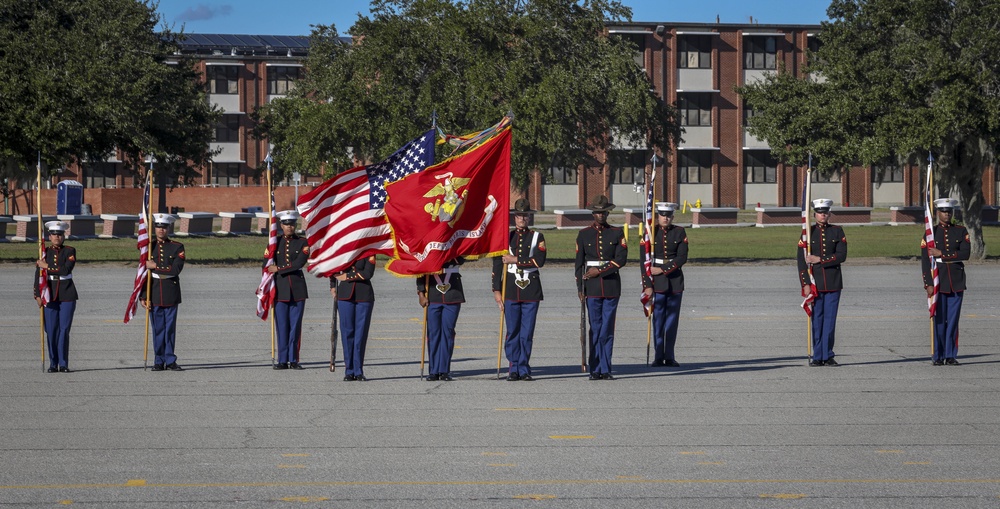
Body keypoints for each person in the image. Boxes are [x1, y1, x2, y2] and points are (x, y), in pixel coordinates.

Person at [492, 199, 546, 381]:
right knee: (512, 330)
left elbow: (539, 260)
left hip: (530, 289)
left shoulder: (537, 237)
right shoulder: (505, 237)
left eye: (525, 215)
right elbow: (497, 266)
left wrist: (516, 260)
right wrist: (496, 290)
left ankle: (524, 367)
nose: (522, 218)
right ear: (514, 217)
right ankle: (513, 367)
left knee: (527, 331)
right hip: (511, 288)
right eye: (519, 215)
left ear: (529, 217)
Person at [575, 195, 628, 380]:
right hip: (592, 288)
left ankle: (606, 368)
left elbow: (621, 259)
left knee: (607, 329)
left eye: (603, 212)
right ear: (593, 213)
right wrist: (580, 288)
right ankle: (595, 368)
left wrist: (600, 270)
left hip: (611, 285)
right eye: (597, 212)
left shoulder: (617, 233)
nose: (600, 215)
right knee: (595, 328)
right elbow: (579, 264)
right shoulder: (583, 234)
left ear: (607, 213)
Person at [797, 198, 847, 367]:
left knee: (830, 320)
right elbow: (801, 261)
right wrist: (805, 283)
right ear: (814, 214)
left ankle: (828, 354)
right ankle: (818, 355)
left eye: (825, 212)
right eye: (819, 212)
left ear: (829, 214)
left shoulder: (837, 231)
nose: (822, 215)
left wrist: (820, 259)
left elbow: (841, 256)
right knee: (817, 319)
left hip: (833, 282)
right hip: (815, 283)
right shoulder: (808, 233)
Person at [922, 197, 970, 366]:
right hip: (938, 281)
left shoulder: (961, 230)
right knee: (939, 320)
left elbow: (965, 254)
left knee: (953, 320)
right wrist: (928, 283)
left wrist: (941, 253)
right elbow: (925, 260)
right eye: (943, 211)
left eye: (949, 211)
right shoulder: (931, 232)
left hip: (956, 281)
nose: (946, 214)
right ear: (937, 213)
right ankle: (937, 355)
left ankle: (950, 355)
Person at [641, 202, 688, 367]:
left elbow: (682, 257)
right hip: (657, 283)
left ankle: (670, 356)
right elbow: (644, 261)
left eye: (668, 215)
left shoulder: (679, 232)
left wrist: (662, 269)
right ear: (657, 216)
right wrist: (647, 284)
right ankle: (658, 355)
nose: (665, 218)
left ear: (672, 217)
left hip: (674, 280)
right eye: (662, 215)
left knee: (672, 321)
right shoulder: (650, 233)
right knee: (658, 320)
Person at [141, 213, 185, 371]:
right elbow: (144, 273)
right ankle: (158, 360)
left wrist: (155, 267)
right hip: (153, 292)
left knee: (169, 328)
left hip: (170, 291)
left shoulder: (177, 247)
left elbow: (175, 269)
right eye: (158, 227)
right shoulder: (148, 246)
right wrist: (143, 295)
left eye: (164, 227)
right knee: (157, 328)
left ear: (168, 228)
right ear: (155, 228)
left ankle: (170, 359)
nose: (161, 230)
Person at [34, 221, 78, 373]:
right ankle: (53, 363)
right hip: (49, 293)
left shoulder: (70, 251)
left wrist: (47, 267)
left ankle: (63, 363)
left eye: (59, 234)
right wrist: (37, 294)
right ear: (49, 236)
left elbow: (66, 270)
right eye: (54, 234)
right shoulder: (44, 252)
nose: (57, 237)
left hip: (67, 294)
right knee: (51, 330)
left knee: (64, 329)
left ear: (64, 235)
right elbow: (38, 275)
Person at [268, 210, 309, 370]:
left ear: (295, 225)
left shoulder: (303, 243)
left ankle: (294, 359)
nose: (289, 227)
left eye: (292, 224)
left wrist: (278, 268)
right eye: (286, 224)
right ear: (281, 225)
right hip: (279, 289)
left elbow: (299, 263)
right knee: (282, 326)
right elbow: (266, 264)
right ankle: (282, 360)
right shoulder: (274, 243)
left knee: (295, 326)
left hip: (297, 289)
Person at [417, 257, 465, 381]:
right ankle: (433, 370)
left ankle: (444, 370)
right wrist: (421, 294)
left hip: (452, 294)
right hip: (432, 294)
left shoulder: (455, 245)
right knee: (433, 334)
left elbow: (461, 259)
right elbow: (420, 268)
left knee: (447, 333)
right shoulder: (429, 248)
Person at [331, 255, 376, 381]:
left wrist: (346, 277)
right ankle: (349, 370)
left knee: (360, 335)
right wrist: (332, 285)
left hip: (364, 296)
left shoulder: (369, 251)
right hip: (345, 295)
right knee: (347, 333)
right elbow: (332, 267)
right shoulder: (343, 248)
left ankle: (358, 370)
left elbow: (368, 273)